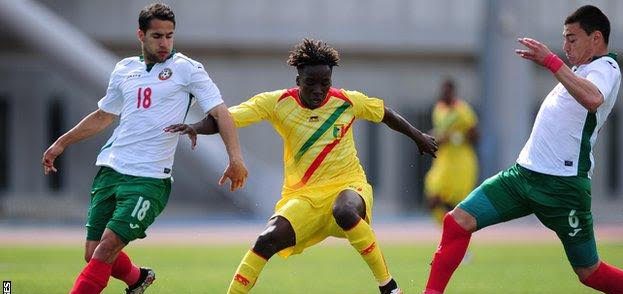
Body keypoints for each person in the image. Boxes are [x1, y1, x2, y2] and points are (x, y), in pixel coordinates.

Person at [166, 38, 438, 294]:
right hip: (303, 197)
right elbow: (227, 119)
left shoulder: (347, 101)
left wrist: (419, 137)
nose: (319, 90)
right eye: (311, 83)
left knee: (344, 210)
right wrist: (195, 127)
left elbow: (385, 114)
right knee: (265, 241)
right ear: (298, 80)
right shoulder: (276, 103)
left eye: (325, 83)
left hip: (347, 185)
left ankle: (388, 287)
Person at [41, 3, 248, 294]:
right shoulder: (124, 69)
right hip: (111, 169)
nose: (164, 43)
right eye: (157, 36)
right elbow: (104, 116)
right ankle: (138, 279)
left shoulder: (187, 69)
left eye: (169, 35)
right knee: (93, 253)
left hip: (149, 179)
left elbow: (221, 112)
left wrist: (235, 158)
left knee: (104, 252)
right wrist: (61, 142)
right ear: (141, 35)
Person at [423, 5, 622, 293]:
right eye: (563, 39)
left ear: (596, 38)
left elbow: (593, 99)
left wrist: (551, 61)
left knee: (590, 273)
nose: (565, 46)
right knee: (457, 222)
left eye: (572, 38)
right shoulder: (578, 70)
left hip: (562, 188)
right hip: (522, 177)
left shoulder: (606, 68)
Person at [424, 78, 479, 225]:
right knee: (433, 198)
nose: (444, 94)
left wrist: (454, 137)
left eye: (448, 91)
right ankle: (449, 233)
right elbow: (440, 133)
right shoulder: (438, 109)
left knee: (456, 205)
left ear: (453, 92)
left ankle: (456, 238)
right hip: (443, 162)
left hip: (461, 162)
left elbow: (475, 136)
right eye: (443, 91)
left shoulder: (462, 110)